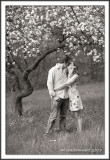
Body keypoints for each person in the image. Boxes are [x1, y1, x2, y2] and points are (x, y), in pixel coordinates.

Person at [45, 55, 72, 135]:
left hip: (66, 96)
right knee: (53, 116)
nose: (70, 64)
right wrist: (54, 96)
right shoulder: (53, 70)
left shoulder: (66, 70)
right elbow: (49, 84)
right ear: (65, 62)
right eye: (69, 63)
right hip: (56, 97)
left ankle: (62, 130)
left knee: (63, 116)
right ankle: (48, 133)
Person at [54, 61, 83, 132]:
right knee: (73, 115)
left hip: (74, 96)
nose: (69, 65)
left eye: (71, 64)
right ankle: (78, 129)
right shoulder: (68, 74)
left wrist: (55, 89)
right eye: (69, 64)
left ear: (74, 66)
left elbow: (66, 84)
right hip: (69, 97)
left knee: (77, 114)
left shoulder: (76, 75)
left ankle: (80, 131)